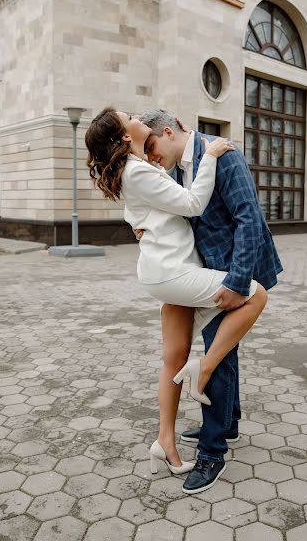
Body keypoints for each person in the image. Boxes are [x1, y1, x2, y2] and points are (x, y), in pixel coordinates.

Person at [85, 107, 271, 491]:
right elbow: (181, 205)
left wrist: (237, 278)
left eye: (154, 143)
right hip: (179, 272)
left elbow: (247, 219)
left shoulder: (181, 159)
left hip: (200, 269)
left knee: (179, 354)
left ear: (167, 132)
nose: (134, 118)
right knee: (220, 348)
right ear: (125, 136)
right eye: (128, 117)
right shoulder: (148, 166)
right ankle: (212, 446)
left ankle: (171, 439)